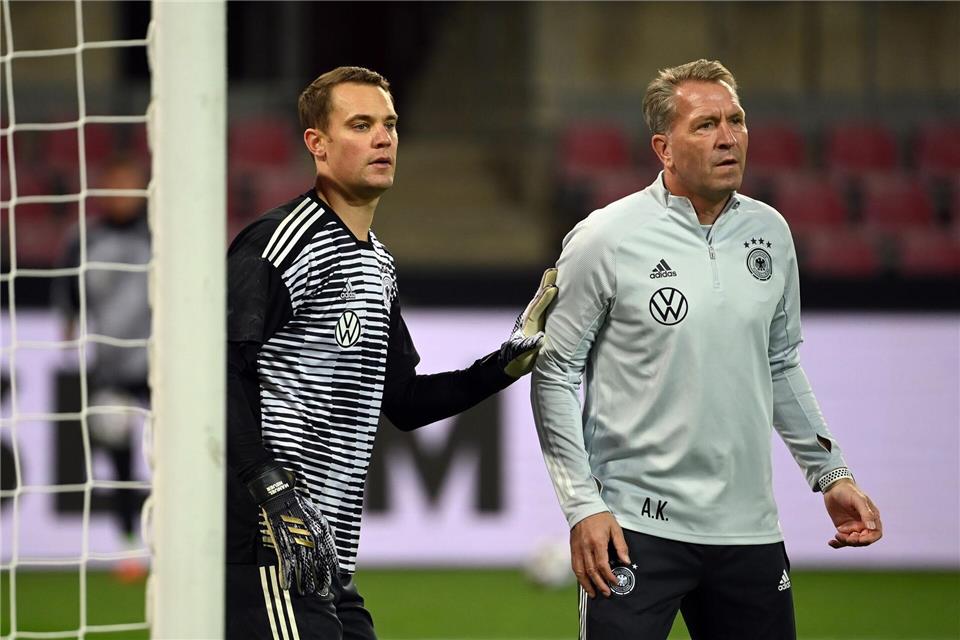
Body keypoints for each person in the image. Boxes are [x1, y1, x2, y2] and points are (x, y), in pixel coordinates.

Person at [531, 59, 882, 640]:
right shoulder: (605, 237)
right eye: (706, 125)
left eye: (736, 120)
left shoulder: (771, 233)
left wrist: (830, 472)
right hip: (634, 529)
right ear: (663, 148)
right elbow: (555, 372)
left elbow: (781, 361)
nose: (728, 137)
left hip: (749, 533)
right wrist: (582, 506)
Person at [226, 66, 556, 639]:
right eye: (361, 124)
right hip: (266, 548)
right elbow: (215, 376)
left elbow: (402, 400)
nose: (383, 138)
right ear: (317, 144)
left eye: (390, 124)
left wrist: (502, 366)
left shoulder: (377, 264)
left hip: (325, 558)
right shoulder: (278, 246)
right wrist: (269, 488)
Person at [52, 155, 151, 582]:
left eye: (127, 185)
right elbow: (70, 291)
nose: (120, 195)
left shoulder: (160, 232)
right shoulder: (86, 239)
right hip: (113, 370)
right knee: (121, 461)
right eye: (113, 185)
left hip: (165, 366)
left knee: (179, 457)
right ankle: (129, 545)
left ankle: (184, 538)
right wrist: (68, 328)